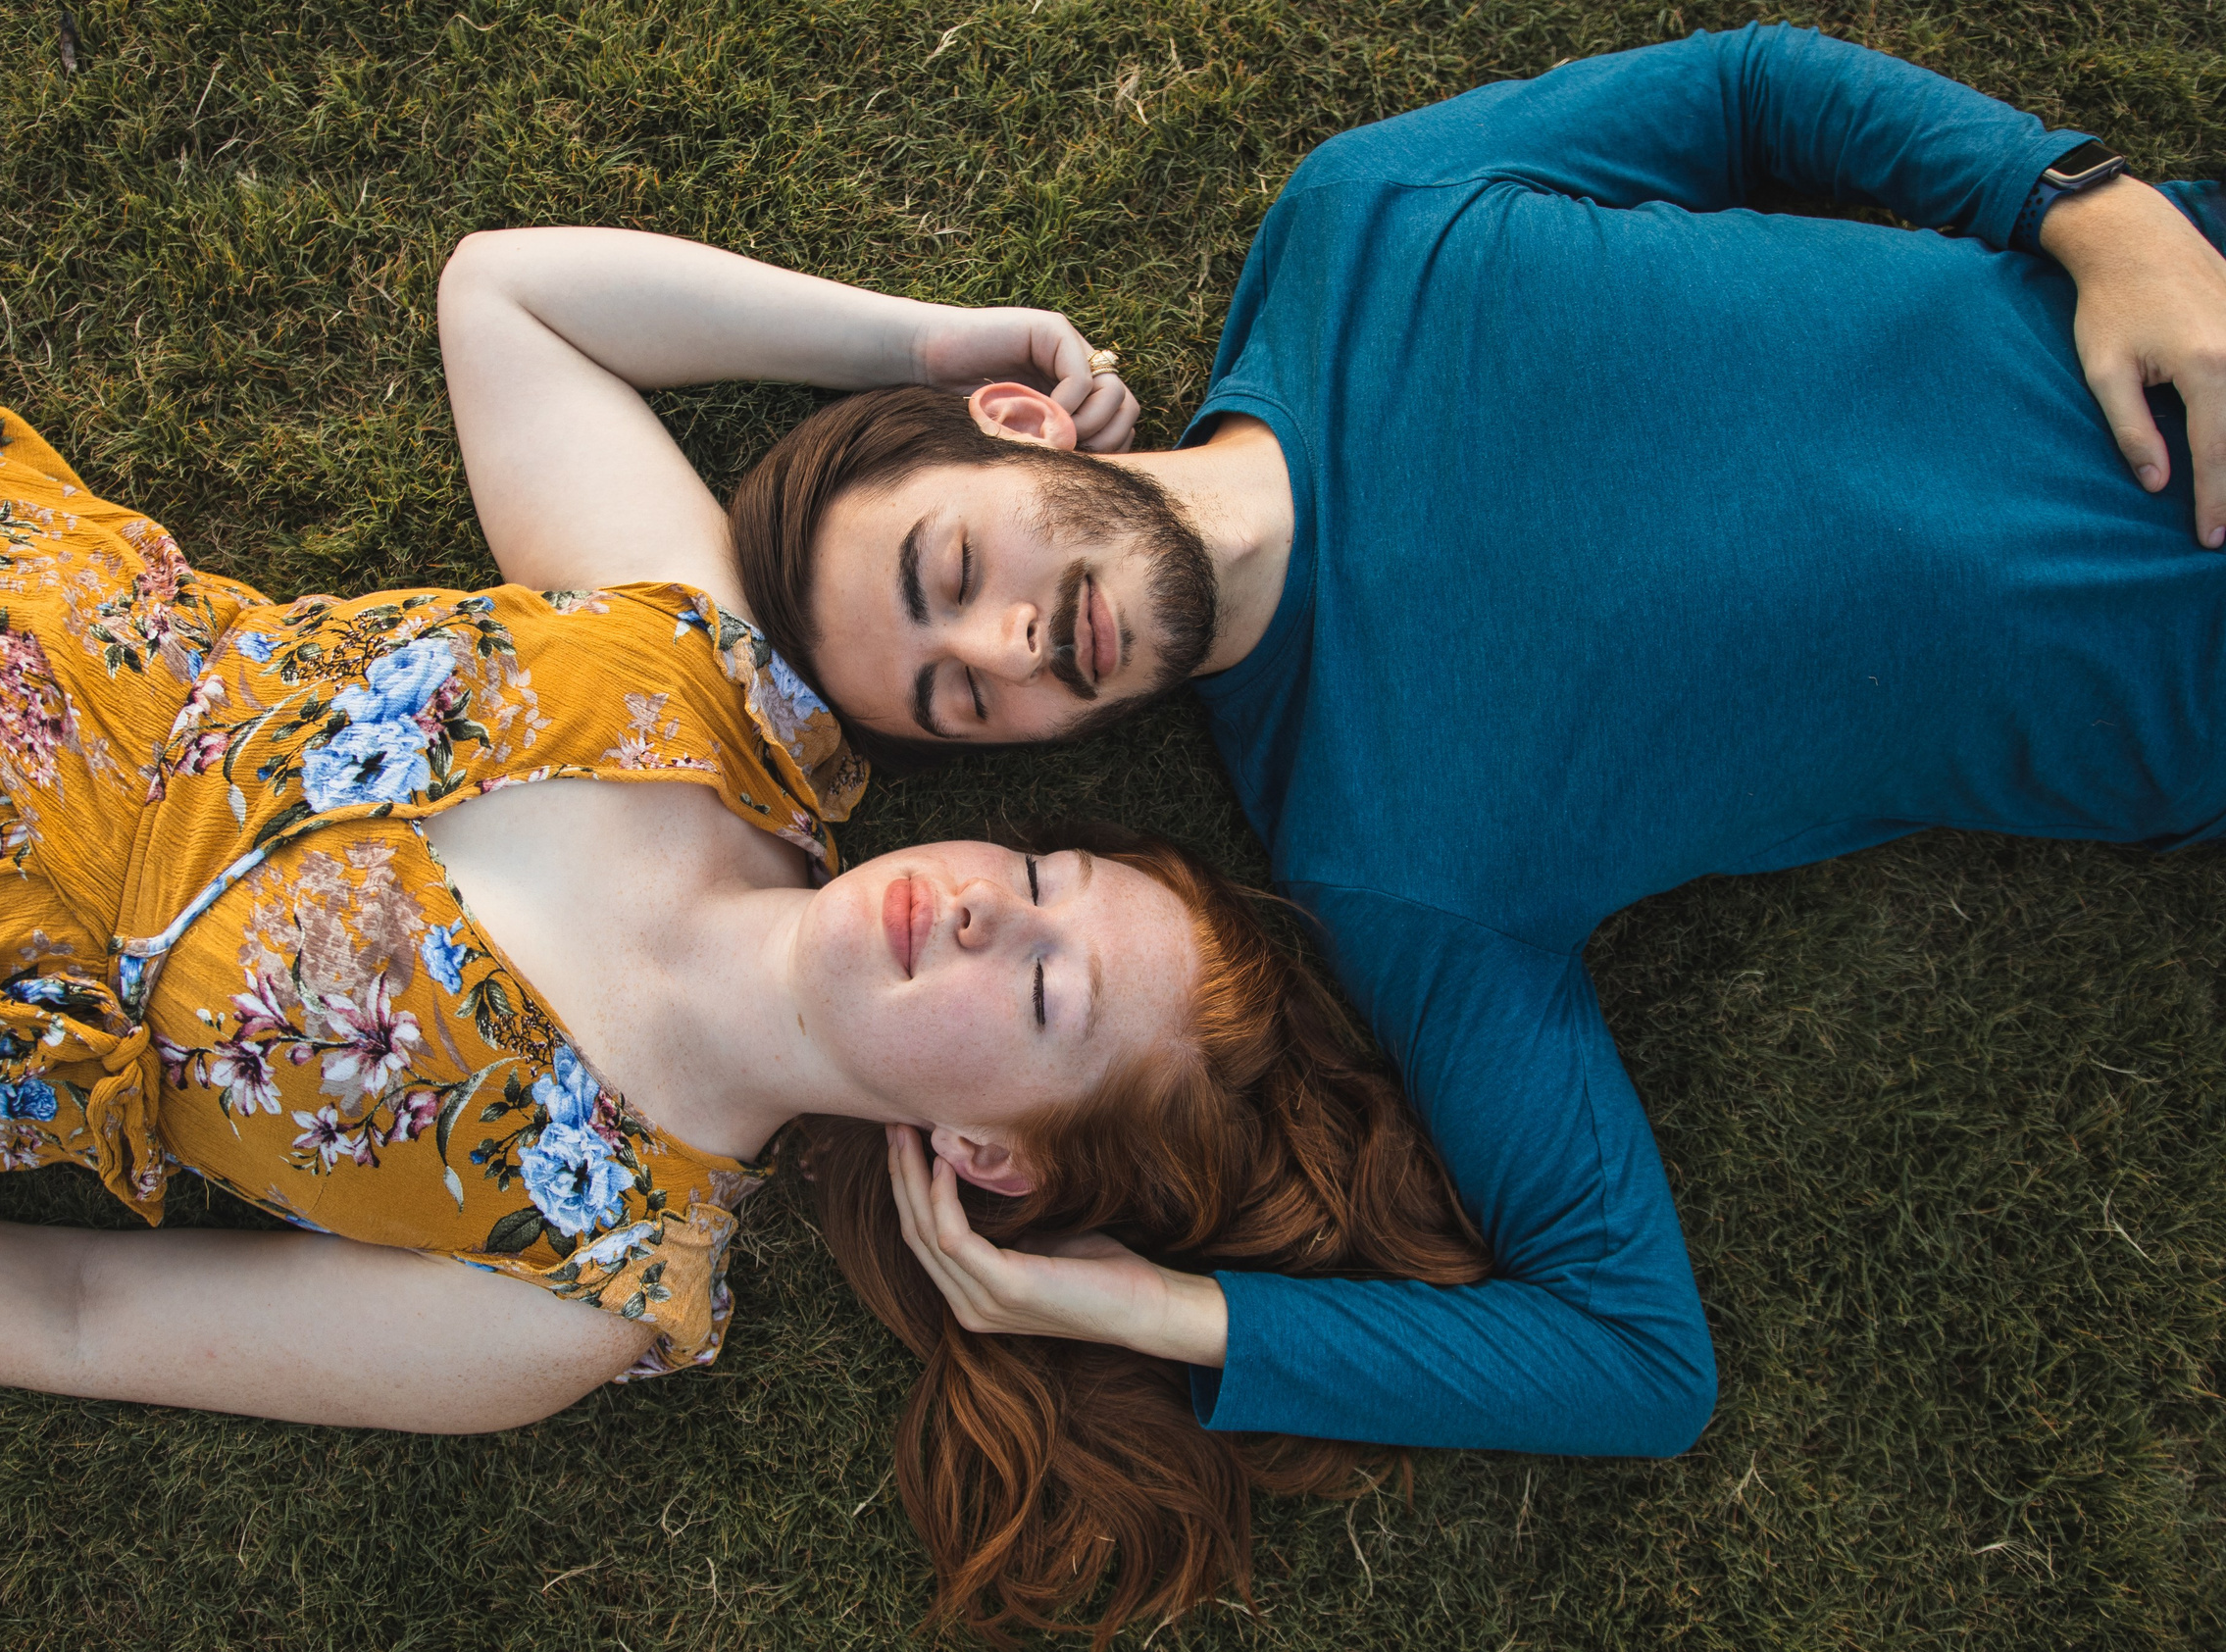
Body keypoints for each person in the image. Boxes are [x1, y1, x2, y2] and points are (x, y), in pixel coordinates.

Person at [0, 246, 1486, 1644]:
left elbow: (77, 1312)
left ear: (989, 1156)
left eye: (1039, 989)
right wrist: (939, 344)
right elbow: (511, 296)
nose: (974, 902)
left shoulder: (572, 1284)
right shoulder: (719, 687)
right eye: (1040, 882)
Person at [724, 25, 2226, 1459]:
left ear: (1018, 423)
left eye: (954, 572)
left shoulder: (1363, 224)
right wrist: (1140, 1310)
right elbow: (1637, 1360)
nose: (1010, 646)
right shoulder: (1382, 860)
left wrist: (2091, 210)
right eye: (963, 700)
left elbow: (1746, 92)